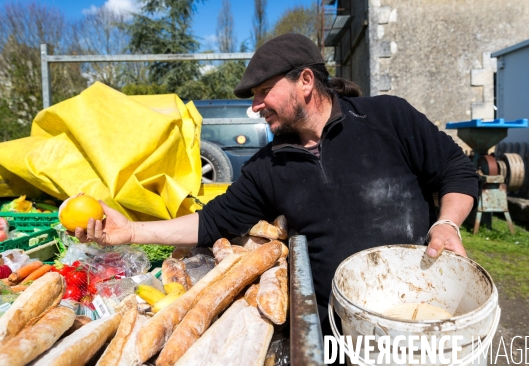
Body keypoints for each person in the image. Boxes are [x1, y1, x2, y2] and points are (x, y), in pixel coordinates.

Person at [73, 33, 478, 331]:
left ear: (305, 80)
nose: (255, 106)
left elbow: (455, 169)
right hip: (340, 327)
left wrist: (447, 223)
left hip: (427, 306)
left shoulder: (388, 117)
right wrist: (128, 232)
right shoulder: (268, 167)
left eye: (264, 91)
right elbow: (211, 223)